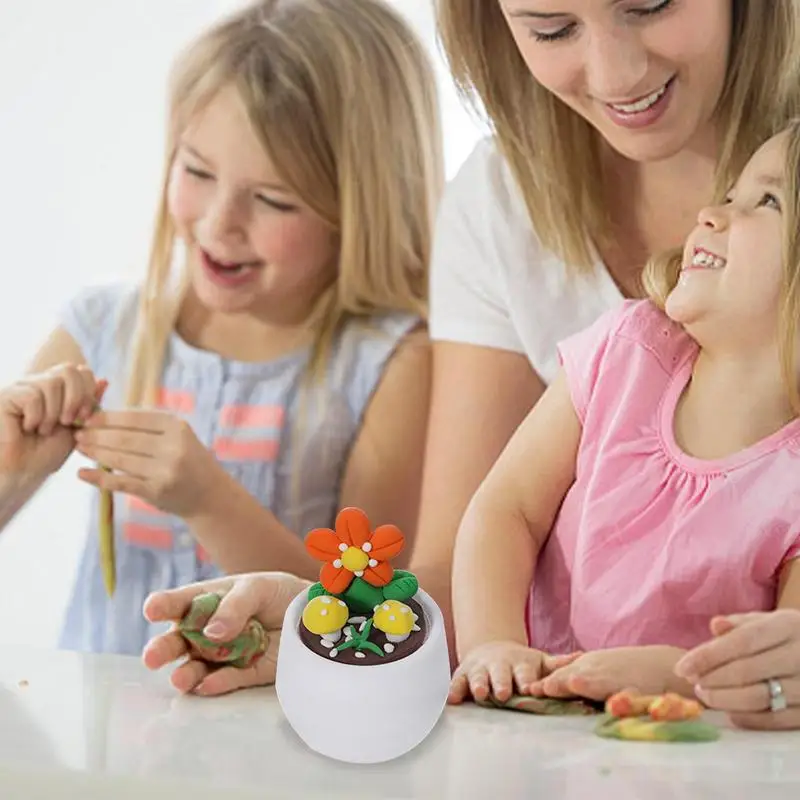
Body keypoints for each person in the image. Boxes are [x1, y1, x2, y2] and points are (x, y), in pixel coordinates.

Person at [0, 0, 443, 657]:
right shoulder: (104, 327)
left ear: (362, 208)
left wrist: (208, 500)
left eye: (272, 199)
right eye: (197, 172)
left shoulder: (389, 363)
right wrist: (14, 473)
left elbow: (366, 624)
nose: (217, 223)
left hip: (283, 749)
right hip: (100, 746)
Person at [407, 0, 800, 670]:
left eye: (649, 3)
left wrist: (688, 685)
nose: (617, 75)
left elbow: (774, 665)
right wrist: (327, 638)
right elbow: (475, 540)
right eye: (552, 28)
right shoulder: (623, 345)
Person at [447, 122, 800, 729]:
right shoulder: (626, 350)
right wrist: (491, 645)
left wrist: (674, 676)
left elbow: (782, 668)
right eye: (731, 193)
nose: (712, 213)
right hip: (531, 728)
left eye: (767, 200)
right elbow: (506, 510)